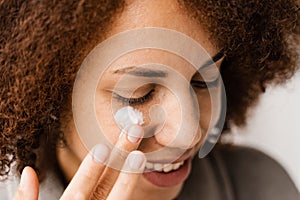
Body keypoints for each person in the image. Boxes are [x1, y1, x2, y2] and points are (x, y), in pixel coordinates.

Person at [0, 0, 299, 199]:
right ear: (49, 94)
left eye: (202, 81)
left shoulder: (261, 186)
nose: (189, 133)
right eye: (138, 96)